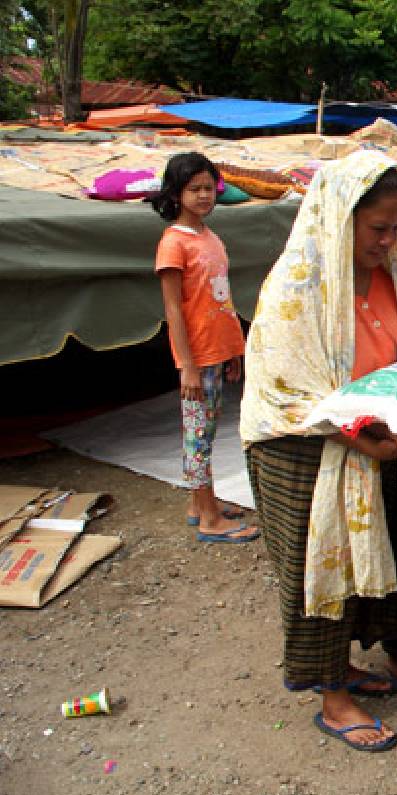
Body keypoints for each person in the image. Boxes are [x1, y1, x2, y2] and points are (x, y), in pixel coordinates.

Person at [240, 152, 397, 752]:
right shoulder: (298, 286)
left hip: (373, 436)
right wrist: (360, 432)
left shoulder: (387, 274)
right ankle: (332, 697)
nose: (389, 240)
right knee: (322, 571)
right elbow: (288, 389)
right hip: (302, 448)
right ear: (339, 220)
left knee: (390, 550)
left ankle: (366, 662)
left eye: (396, 227)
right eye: (378, 228)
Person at [151, 152, 257, 544]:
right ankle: (210, 519)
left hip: (218, 352)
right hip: (197, 357)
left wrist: (234, 351)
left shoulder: (211, 238)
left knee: (207, 432)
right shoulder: (173, 244)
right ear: (176, 193)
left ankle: (200, 505)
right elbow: (174, 310)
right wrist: (187, 367)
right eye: (193, 189)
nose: (203, 196)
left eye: (209, 188)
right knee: (197, 437)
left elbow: (221, 300)